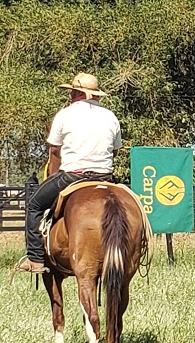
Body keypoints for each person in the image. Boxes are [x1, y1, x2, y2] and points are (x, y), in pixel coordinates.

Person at [17, 72, 122, 273]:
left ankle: (35, 259)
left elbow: (55, 150)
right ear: (96, 95)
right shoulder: (111, 117)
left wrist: (52, 174)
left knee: (34, 205)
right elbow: (115, 150)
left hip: (73, 176)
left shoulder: (65, 114)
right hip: (105, 177)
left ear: (75, 93)